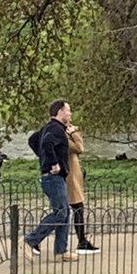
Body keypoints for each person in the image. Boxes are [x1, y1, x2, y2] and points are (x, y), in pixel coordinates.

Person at [23, 99, 77, 261]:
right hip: (53, 177)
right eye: (68, 111)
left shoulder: (50, 127)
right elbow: (46, 142)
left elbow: (33, 140)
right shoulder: (56, 129)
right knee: (60, 213)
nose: (70, 114)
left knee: (65, 213)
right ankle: (29, 240)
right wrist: (52, 162)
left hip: (54, 177)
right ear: (60, 112)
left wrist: (43, 157)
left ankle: (61, 251)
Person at [65, 119, 99, 254]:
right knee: (76, 208)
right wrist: (74, 133)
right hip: (70, 178)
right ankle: (82, 242)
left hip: (74, 177)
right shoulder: (64, 137)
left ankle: (82, 241)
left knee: (66, 210)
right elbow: (79, 148)